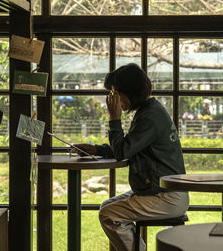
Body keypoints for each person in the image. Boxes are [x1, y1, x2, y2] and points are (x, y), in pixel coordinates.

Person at [74, 63, 189, 251]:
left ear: (129, 91)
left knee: (109, 214)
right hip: (161, 191)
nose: (113, 99)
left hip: (167, 197)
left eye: (115, 92)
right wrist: (95, 150)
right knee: (108, 206)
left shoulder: (150, 116)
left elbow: (122, 152)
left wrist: (114, 119)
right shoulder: (149, 111)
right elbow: (131, 147)